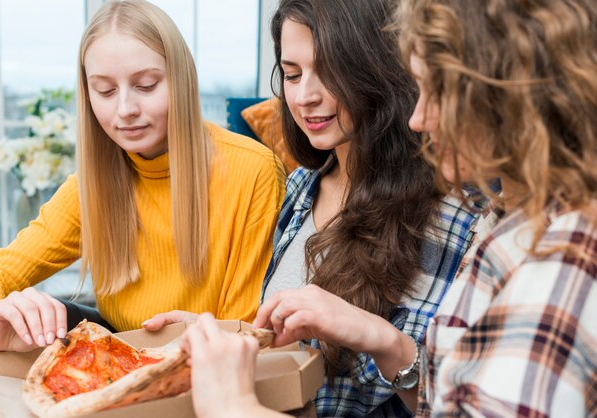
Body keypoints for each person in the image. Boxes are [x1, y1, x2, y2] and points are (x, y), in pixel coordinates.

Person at [185, 0, 597, 416]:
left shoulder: (545, 248)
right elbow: (445, 399)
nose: (418, 119)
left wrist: (231, 405)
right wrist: (219, 338)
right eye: (291, 74)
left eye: (438, 91)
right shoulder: (506, 225)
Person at [155, 0, 478, 416]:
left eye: (329, 71)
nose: (305, 96)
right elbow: (290, 345)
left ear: (379, 70)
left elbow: (447, 405)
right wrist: (222, 336)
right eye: (292, 74)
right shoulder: (301, 185)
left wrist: (381, 338)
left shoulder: (452, 214)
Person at [0, 0, 284, 408]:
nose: (125, 110)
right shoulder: (91, 184)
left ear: (182, 82)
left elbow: (245, 330)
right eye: (104, 90)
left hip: (205, 372)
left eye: (146, 85)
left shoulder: (253, 170)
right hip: (115, 361)